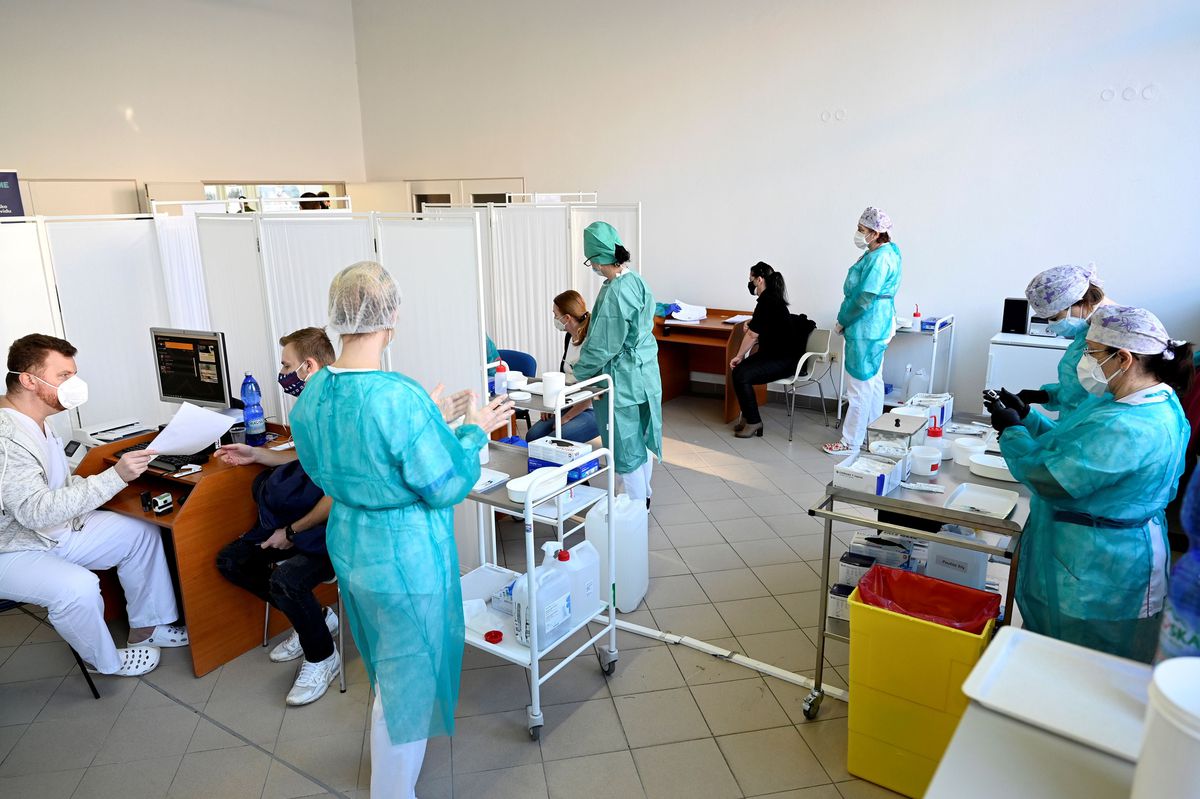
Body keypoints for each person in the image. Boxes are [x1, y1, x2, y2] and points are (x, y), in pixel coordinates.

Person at [289, 261, 513, 798]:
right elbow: (444, 485)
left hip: (352, 546)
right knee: (405, 685)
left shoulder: (314, 392)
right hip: (404, 556)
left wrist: (429, 418)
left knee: (387, 666)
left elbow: (342, 463)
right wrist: (472, 433)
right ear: (392, 316)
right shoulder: (397, 396)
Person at [986, 306, 1193, 662]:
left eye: (1092, 352)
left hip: (1101, 569)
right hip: (1094, 547)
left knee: (1082, 665)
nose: (1085, 360)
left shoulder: (1133, 425)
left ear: (1123, 358)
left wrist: (1011, 432)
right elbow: (1077, 450)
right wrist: (1028, 418)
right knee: (1054, 654)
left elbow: (1051, 478)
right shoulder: (1134, 401)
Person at [0, 334, 188, 677]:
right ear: (28, 379)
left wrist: (105, 482)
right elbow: (33, 511)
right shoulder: (7, 438)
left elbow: (56, 484)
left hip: (54, 533)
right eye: (63, 377)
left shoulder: (38, 419)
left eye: (74, 374)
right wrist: (114, 477)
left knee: (140, 533)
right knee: (78, 588)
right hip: (14, 549)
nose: (73, 385)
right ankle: (106, 662)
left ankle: (149, 627)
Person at [214, 327, 342, 707]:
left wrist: (290, 531)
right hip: (299, 520)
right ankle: (315, 620)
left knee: (287, 579)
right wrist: (259, 456)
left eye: (286, 365)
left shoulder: (340, 414)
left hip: (332, 529)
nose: (282, 373)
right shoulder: (309, 410)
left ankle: (322, 657)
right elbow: (303, 457)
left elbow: (336, 496)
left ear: (308, 365)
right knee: (231, 561)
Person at [573, 222, 662, 503]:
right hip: (646, 371)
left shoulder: (615, 293)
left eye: (592, 262)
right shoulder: (636, 280)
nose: (593, 267)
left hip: (622, 379)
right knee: (642, 436)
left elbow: (603, 345)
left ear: (599, 258)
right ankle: (644, 493)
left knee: (625, 446)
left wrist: (578, 374)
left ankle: (636, 507)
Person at [823, 207, 902, 456]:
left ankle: (850, 442)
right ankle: (872, 437)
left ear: (876, 233)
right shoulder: (885, 252)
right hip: (878, 323)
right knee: (873, 383)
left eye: (862, 230)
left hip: (867, 326)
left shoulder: (879, 259)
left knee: (858, 386)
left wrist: (843, 320)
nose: (858, 234)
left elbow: (863, 297)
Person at [1015, 263, 1116, 419]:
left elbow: (1095, 405)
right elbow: (1075, 390)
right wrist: (1043, 395)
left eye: (1054, 317)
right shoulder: (1088, 331)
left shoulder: (1113, 338)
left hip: (1090, 432)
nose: (1051, 325)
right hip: (1075, 428)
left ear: (1080, 302)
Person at [729, 262, 801, 438]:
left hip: (783, 360)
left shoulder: (767, 301)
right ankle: (749, 419)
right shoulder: (770, 299)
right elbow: (761, 324)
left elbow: (753, 335)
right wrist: (751, 322)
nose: (750, 283)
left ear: (759, 279)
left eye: (751, 279)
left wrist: (738, 355)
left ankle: (753, 422)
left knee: (741, 374)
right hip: (773, 355)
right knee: (740, 372)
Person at [526, 290, 600, 444]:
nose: (555, 319)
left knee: (554, 439)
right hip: (569, 401)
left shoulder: (592, 342)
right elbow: (564, 377)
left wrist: (566, 417)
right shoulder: (569, 337)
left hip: (592, 407)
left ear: (567, 318)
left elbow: (592, 390)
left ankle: (568, 466)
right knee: (533, 437)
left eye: (555, 315)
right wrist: (551, 407)